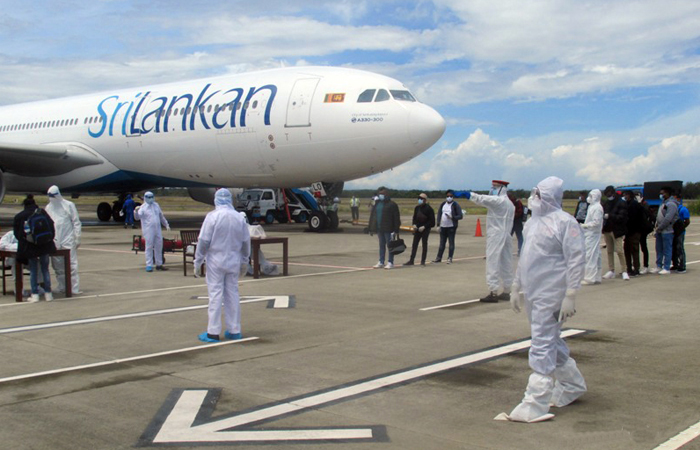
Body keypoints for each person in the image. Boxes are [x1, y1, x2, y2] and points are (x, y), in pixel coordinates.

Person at [501, 176, 586, 423]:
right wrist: (516, 285)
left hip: (553, 293)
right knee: (549, 339)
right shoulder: (532, 222)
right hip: (534, 292)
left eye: (537, 194)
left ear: (549, 197)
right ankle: (572, 384)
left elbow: (576, 259)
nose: (532, 198)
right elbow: (526, 256)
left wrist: (571, 294)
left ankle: (535, 401)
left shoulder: (565, 223)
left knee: (541, 342)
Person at [194, 189, 251, 342]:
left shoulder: (212, 217)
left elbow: (204, 241)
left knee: (215, 294)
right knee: (232, 294)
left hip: (215, 261)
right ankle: (234, 329)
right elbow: (246, 242)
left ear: (216, 200)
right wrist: (245, 260)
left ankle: (213, 331)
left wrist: (198, 261)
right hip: (233, 260)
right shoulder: (239, 218)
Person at [462, 180, 515, 302]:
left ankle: (493, 291)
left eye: (495, 187)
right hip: (506, 234)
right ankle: (507, 290)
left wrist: (469, 195)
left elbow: (482, 199)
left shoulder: (498, 201)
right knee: (506, 262)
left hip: (496, 234)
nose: (492, 189)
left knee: (492, 261)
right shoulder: (509, 204)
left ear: (502, 188)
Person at [13, 196, 56, 302]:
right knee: (45, 269)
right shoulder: (43, 213)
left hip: (30, 247)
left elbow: (17, 234)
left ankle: (35, 294)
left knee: (33, 270)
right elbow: (51, 226)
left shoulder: (20, 216)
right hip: (45, 245)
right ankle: (48, 294)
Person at [46, 185, 82, 294]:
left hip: (68, 239)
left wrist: (77, 237)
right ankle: (62, 286)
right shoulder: (48, 207)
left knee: (72, 264)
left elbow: (76, 222)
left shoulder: (69, 205)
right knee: (57, 265)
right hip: (55, 239)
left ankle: (74, 288)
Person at [134, 191, 170, 272]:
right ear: (145, 198)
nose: (151, 199)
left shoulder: (156, 205)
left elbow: (161, 216)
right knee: (149, 247)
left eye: (152, 197)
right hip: (148, 230)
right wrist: (135, 211)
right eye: (149, 197)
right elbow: (137, 218)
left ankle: (159, 264)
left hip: (157, 229)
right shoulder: (143, 207)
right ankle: (149, 265)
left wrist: (166, 224)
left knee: (159, 246)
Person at [368, 188, 401, 269]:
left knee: (390, 246)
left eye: (382, 194)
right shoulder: (377, 204)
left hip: (389, 229)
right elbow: (373, 216)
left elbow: (396, 218)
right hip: (380, 228)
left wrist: (396, 229)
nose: (380, 195)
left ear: (386, 195)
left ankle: (390, 262)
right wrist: (371, 228)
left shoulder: (392, 204)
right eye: (379, 194)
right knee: (381, 245)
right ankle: (381, 261)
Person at [602, 186, 629, 280]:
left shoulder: (621, 203)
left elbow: (622, 217)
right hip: (607, 230)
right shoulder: (606, 203)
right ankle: (611, 270)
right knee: (609, 251)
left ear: (613, 193)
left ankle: (624, 270)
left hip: (617, 230)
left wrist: (609, 216)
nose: (608, 196)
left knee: (619, 251)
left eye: (609, 194)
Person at [651, 187, 678, 275]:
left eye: (663, 193)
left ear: (668, 193)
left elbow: (668, 218)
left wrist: (660, 227)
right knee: (659, 249)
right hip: (659, 230)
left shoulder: (671, 204)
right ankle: (659, 266)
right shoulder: (663, 203)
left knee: (667, 249)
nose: (661, 195)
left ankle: (666, 267)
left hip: (667, 230)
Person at [404, 193, 435, 267]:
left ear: (425, 200)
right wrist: (414, 224)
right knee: (414, 244)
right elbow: (414, 218)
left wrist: (424, 226)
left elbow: (432, 222)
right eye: (419, 198)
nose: (419, 200)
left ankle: (423, 261)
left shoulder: (429, 209)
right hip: (417, 229)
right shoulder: (417, 208)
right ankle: (411, 260)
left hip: (425, 229)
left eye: (421, 198)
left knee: (424, 244)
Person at [432, 189, 463, 264]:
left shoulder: (455, 205)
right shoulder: (443, 204)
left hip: (451, 227)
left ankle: (450, 258)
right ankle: (439, 257)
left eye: (450, 196)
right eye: (448, 196)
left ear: (453, 197)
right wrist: (438, 225)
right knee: (442, 243)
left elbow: (460, 216)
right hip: (443, 227)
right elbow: (439, 214)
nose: (449, 197)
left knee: (451, 243)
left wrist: (452, 217)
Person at [581, 189, 603, 285]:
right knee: (596, 255)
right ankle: (597, 276)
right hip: (590, 233)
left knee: (590, 255)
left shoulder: (597, 208)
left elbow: (596, 222)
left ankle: (589, 278)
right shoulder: (592, 207)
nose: (588, 198)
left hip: (593, 234)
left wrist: (585, 225)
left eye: (591, 196)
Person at [621, 191, 644, 277]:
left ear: (630, 195)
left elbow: (633, 219)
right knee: (627, 250)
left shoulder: (634, 205)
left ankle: (636, 269)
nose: (624, 196)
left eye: (626, 195)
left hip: (634, 231)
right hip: (628, 231)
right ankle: (629, 268)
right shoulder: (627, 204)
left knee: (634, 249)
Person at [671, 194, 690, 274]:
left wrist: (681, 228)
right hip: (673, 232)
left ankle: (682, 266)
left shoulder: (683, 209)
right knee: (673, 249)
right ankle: (675, 264)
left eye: (674, 198)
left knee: (680, 248)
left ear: (678, 199)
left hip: (680, 232)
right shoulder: (672, 208)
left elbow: (687, 221)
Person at [637, 194, 653, 274]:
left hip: (643, 229)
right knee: (635, 248)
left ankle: (646, 266)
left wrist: (640, 204)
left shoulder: (645, 205)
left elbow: (646, 213)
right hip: (636, 229)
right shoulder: (634, 204)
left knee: (643, 247)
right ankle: (636, 265)